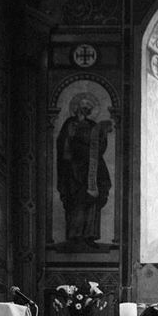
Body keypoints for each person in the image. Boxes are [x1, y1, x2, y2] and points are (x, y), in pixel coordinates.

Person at [56, 92, 113, 248]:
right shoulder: (69, 124)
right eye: (83, 107)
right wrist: (70, 138)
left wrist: (103, 135)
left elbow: (100, 146)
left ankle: (89, 236)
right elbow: (63, 144)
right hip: (74, 168)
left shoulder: (93, 126)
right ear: (76, 108)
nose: (85, 110)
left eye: (88, 108)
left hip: (93, 167)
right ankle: (74, 236)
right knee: (76, 201)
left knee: (93, 200)